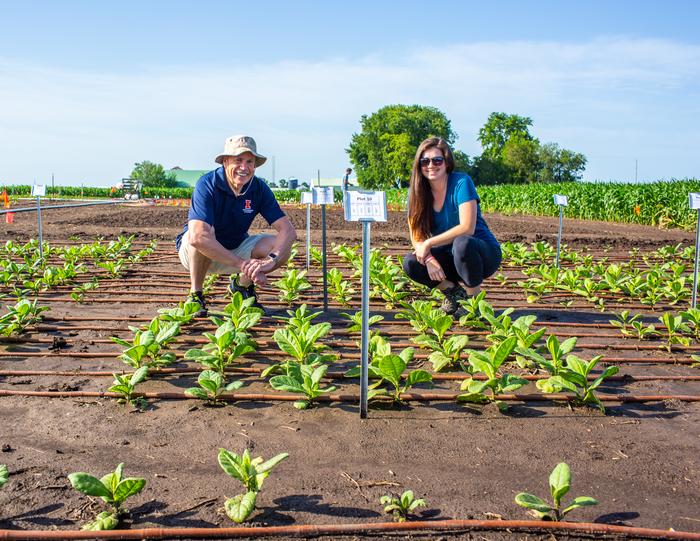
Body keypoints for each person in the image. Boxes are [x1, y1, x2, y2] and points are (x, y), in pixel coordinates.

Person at [176, 135, 297, 316]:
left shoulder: (259, 188)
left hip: (235, 247)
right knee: (202, 234)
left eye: (249, 162)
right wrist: (242, 264)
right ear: (225, 162)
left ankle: (241, 286)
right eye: (238, 160)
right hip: (197, 255)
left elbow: (288, 231)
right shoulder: (207, 184)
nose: (244, 167)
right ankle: (196, 294)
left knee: (281, 246)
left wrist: (269, 261)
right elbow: (198, 237)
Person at [402, 137, 501, 314]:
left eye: (437, 160)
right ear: (419, 165)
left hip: (480, 254)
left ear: (446, 162)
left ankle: (473, 303)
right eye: (425, 161)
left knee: (462, 242)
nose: (431, 165)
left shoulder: (461, 183)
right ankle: (453, 292)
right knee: (411, 262)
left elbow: (467, 228)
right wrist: (429, 259)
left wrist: (429, 244)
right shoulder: (416, 192)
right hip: (450, 257)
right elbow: (416, 236)